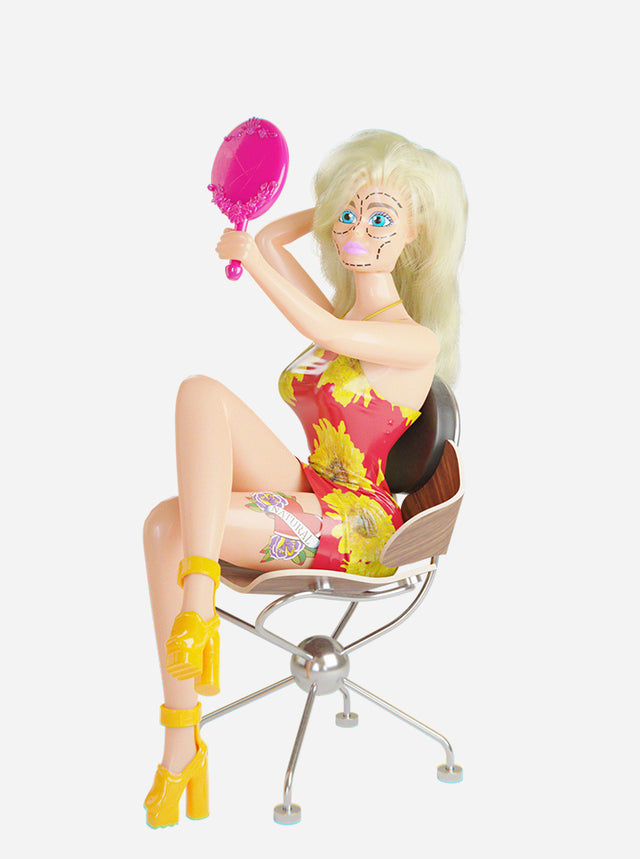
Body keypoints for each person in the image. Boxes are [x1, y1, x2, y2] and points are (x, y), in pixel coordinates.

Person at [143, 130, 467, 826]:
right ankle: (182, 742)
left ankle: (195, 625)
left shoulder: (413, 340)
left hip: (356, 526)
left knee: (178, 526)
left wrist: (253, 263)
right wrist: (322, 205)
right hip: (311, 484)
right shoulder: (344, 311)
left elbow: (320, 325)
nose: (355, 231)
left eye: (379, 217)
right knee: (195, 408)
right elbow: (270, 242)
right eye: (348, 216)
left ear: (416, 232)